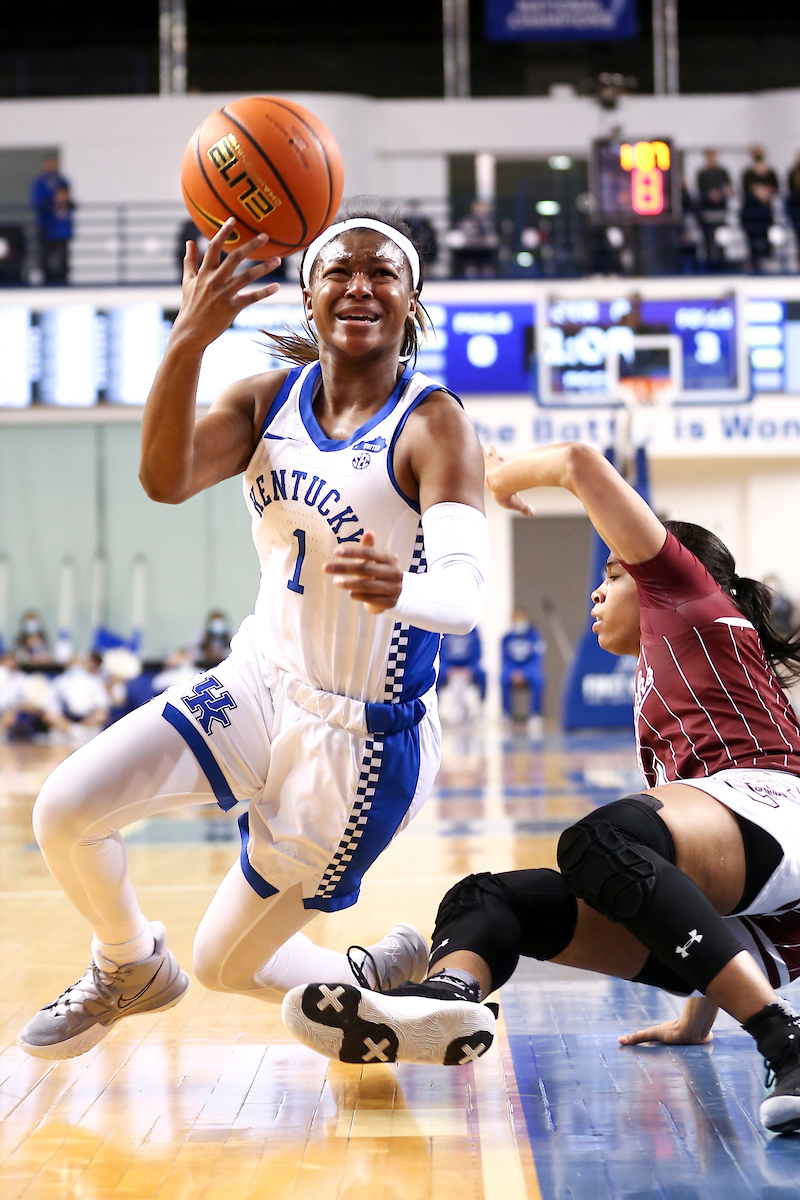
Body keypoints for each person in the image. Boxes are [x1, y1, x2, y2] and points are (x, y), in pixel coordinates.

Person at [17, 212, 488, 1061]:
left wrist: (405, 588)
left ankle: (364, 986)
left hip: (360, 743)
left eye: (383, 273)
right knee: (64, 811)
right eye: (338, 270)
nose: (359, 286)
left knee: (226, 964)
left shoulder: (434, 423)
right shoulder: (265, 398)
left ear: (412, 298)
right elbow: (163, 481)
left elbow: (463, 596)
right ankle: (128, 965)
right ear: (309, 294)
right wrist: (189, 338)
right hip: (258, 682)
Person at [284, 441, 800, 1136]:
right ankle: (447, 999)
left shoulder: (692, 606)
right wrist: (693, 1018)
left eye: (613, 575)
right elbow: (699, 890)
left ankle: (783, 1040)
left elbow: (580, 464)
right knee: (487, 899)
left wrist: (493, 478)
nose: (597, 589)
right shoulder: (662, 682)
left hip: (776, 809)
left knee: (600, 842)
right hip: (766, 924)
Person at [30, 157, 75, 285]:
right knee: (44, 256)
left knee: (62, 258)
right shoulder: (40, 182)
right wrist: (53, 204)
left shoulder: (62, 181)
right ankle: (46, 280)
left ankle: (62, 280)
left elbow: (69, 203)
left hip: (61, 230)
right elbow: (37, 203)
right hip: (46, 226)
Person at [500, 608, 545, 725]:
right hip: (512, 668)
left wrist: (524, 673)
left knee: (538, 679)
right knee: (503, 678)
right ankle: (506, 714)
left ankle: (535, 714)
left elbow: (536, 658)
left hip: (529, 668)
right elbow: (505, 659)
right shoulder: (507, 638)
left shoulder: (534, 636)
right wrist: (514, 672)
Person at [740, 146, 779, 273]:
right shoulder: (748, 173)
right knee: (752, 244)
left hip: (765, 213)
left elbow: (775, 189)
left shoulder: (770, 172)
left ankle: (766, 265)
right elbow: (747, 189)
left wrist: (764, 192)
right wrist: (758, 192)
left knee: (767, 241)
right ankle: (753, 265)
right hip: (751, 214)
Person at [695, 150, 731, 270]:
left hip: (720, 213)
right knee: (708, 243)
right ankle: (710, 267)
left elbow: (728, 189)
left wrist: (721, 194)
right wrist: (710, 195)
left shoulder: (722, 173)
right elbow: (701, 192)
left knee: (722, 241)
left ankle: (722, 267)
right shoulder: (702, 174)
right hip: (707, 214)